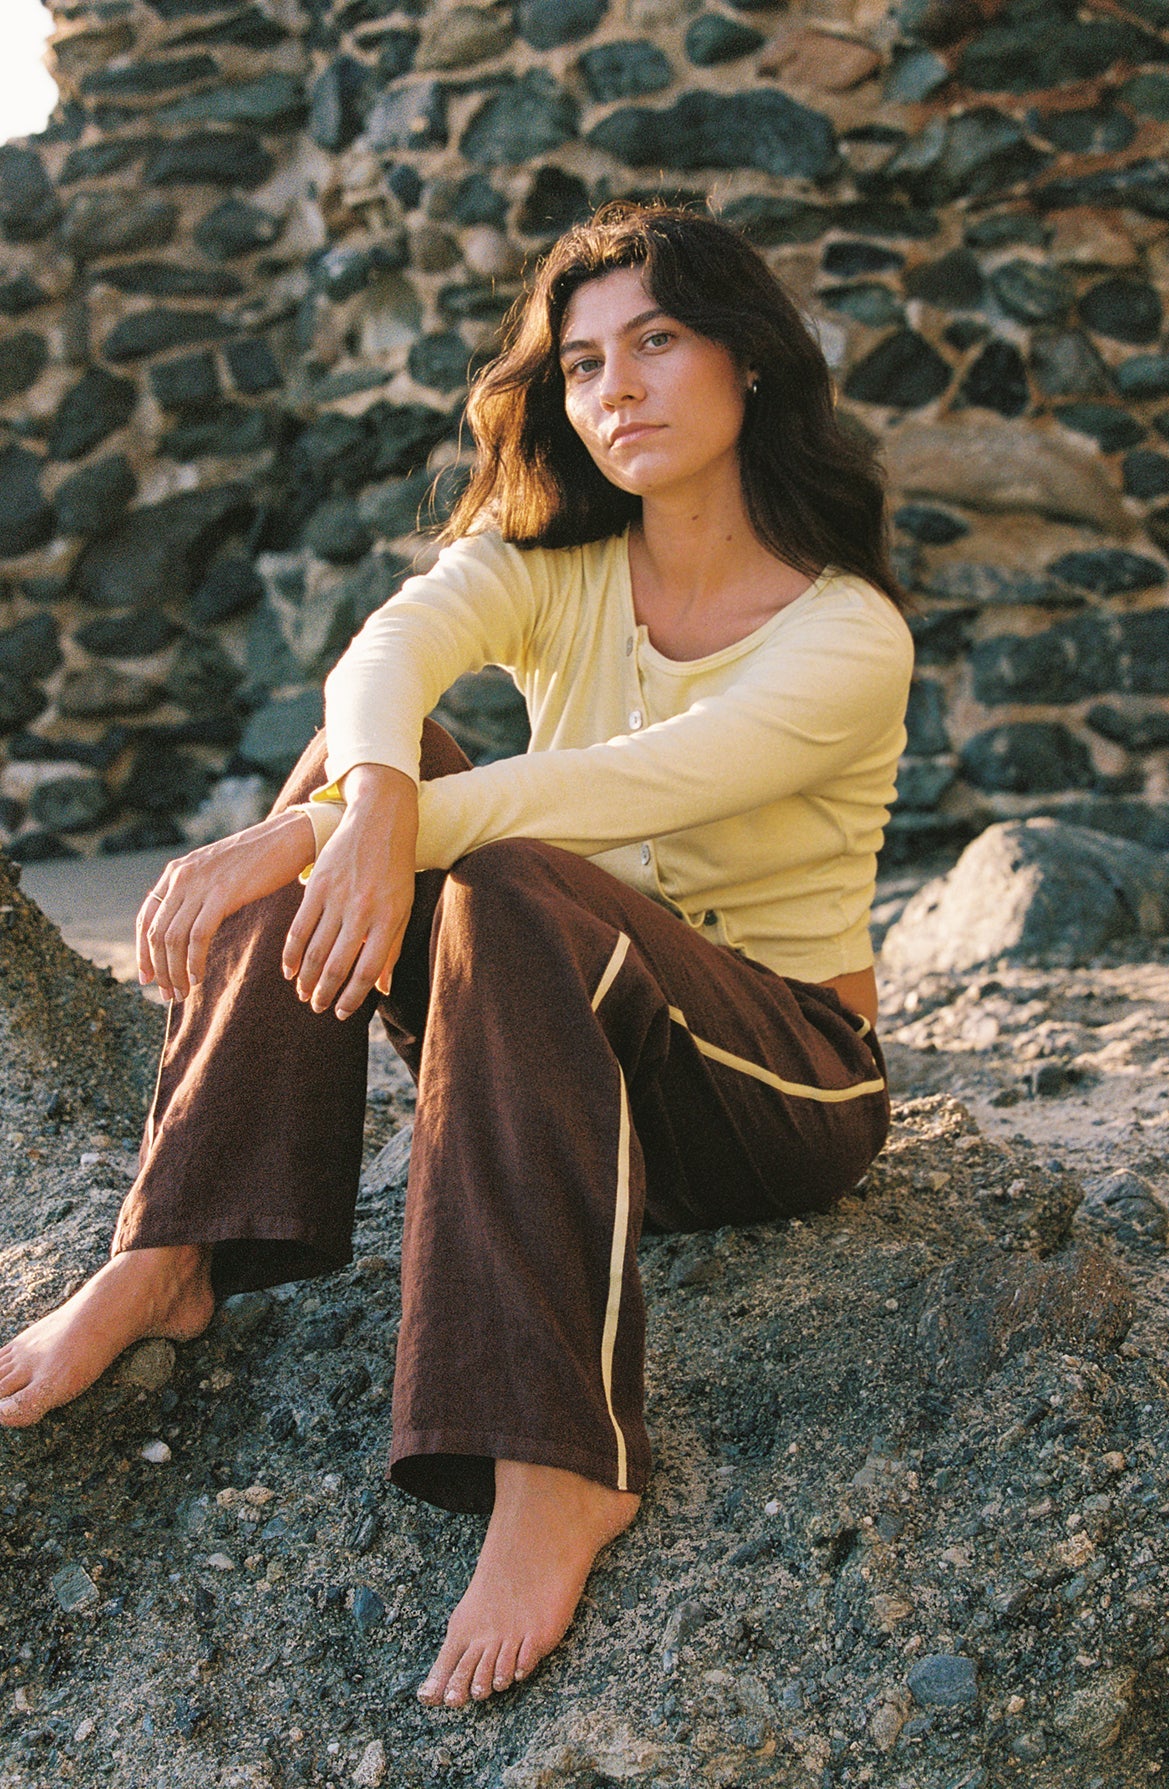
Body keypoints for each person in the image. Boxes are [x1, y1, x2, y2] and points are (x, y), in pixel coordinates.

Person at [0, 204, 914, 1708]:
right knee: (375, 755)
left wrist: (309, 839)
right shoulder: (559, 560)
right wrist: (360, 794)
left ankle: (560, 1463)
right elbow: (386, 652)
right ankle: (172, 1250)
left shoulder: (846, 636)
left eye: (659, 342)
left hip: (774, 1088)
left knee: (474, 853)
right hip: (551, 1040)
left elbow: (617, 791)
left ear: (750, 360)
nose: (615, 387)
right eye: (581, 363)